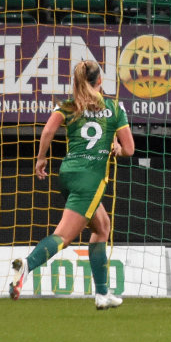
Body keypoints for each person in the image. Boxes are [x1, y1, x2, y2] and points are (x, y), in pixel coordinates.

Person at [8, 60, 134, 310]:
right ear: (100, 81)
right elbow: (129, 149)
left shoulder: (68, 105)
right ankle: (27, 265)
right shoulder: (113, 107)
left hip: (67, 173)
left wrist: (41, 158)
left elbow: (47, 132)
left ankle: (102, 294)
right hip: (90, 179)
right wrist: (117, 148)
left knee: (102, 226)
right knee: (64, 236)